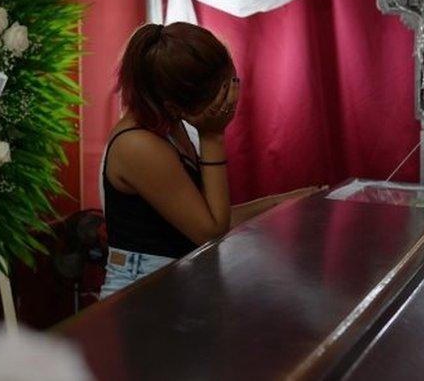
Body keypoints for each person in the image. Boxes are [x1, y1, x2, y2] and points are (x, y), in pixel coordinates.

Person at [99, 22, 321, 299]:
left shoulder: (169, 126)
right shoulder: (138, 145)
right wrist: (213, 136)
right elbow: (211, 232)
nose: (229, 102)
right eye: (221, 97)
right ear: (174, 105)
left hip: (174, 282)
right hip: (142, 291)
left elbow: (212, 217)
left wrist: (286, 200)